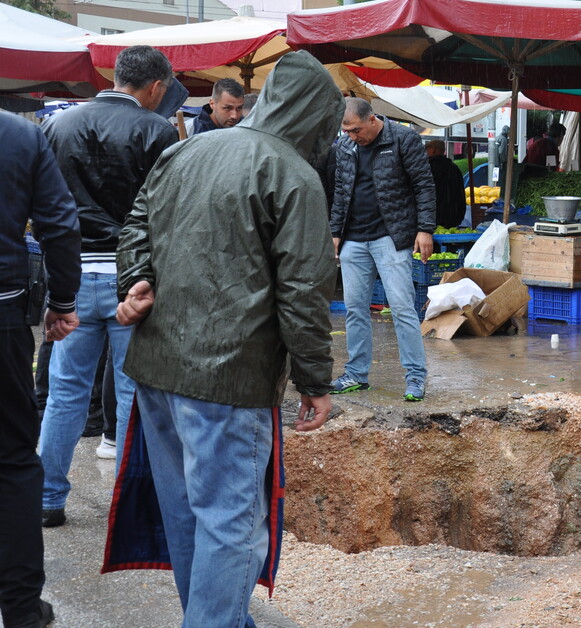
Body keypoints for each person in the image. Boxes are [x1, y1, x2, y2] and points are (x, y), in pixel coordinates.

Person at [110, 50, 340, 626]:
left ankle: (217, 619)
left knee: (188, 513)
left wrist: (137, 278)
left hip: (158, 369)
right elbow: (304, 291)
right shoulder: (294, 174)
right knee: (230, 524)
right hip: (228, 378)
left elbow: (136, 222)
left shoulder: (186, 149)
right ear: (317, 118)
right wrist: (315, 378)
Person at [39, 44, 178, 528]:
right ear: (157, 87)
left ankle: (47, 498)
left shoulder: (58, 124)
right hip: (131, 280)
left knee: (64, 395)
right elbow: (165, 213)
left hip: (71, 277)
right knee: (133, 395)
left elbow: (46, 208)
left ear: (116, 75)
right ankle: (130, 507)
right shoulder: (157, 129)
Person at [1, 110, 81, 628]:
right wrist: (62, 299)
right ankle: (22, 607)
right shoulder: (20, 133)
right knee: (11, 461)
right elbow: (59, 223)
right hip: (2, 313)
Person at [326, 97, 436, 401]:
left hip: (392, 236)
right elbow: (340, 192)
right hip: (353, 239)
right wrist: (335, 233)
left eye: (356, 130)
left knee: (402, 308)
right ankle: (356, 374)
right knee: (354, 309)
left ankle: (415, 376)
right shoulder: (345, 147)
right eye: (346, 131)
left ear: (372, 120)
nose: (351, 136)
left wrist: (425, 229)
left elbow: (424, 185)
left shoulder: (403, 139)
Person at [426, 139, 467, 228]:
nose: (425, 151)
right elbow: (460, 194)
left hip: (430, 216)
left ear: (433, 150)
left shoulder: (427, 168)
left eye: (427, 148)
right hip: (452, 216)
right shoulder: (454, 168)